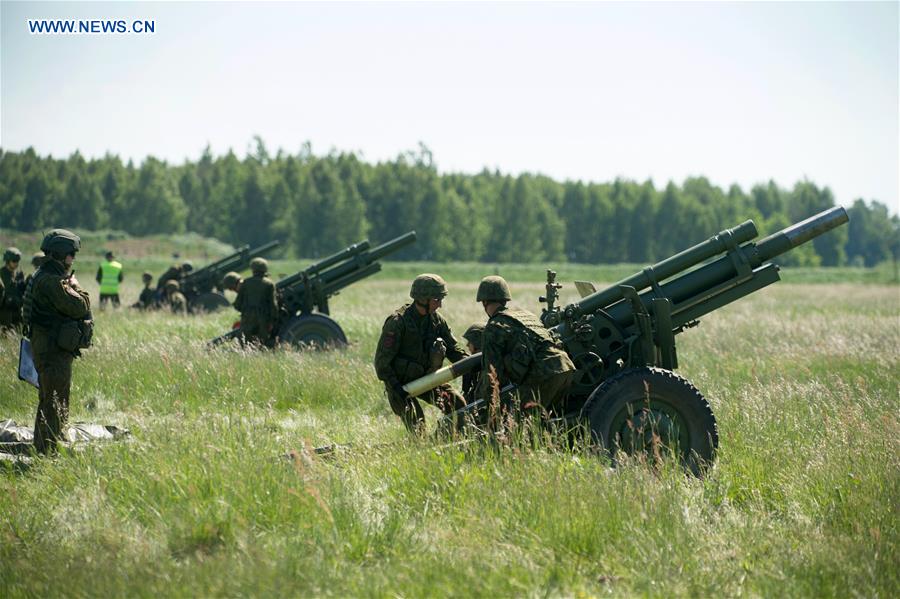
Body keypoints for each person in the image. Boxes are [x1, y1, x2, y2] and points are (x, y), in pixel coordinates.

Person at [22, 229, 92, 455]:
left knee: (52, 400)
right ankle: (46, 452)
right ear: (62, 255)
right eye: (71, 254)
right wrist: (76, 286)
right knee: (53, 402)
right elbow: (81, 305)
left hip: (48, 348)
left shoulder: (42, 275)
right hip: (52, 351)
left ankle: (47, 446)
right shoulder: (52, 281)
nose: (73, 259)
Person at [374, 273, 468, 434]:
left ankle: (452, 442)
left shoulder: (437, 321)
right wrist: (397, 389)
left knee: (458, 406)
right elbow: (382, 364)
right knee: (418, 426)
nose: (440, 305)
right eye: (437, 300)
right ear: (423, 299)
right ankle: (423, 449)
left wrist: (471, 362)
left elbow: (454, 350)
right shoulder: (397, 323)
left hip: (427, 380)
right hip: (399, 387)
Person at [476, 275, 577, 421]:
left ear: (484, 302)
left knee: (517, 422)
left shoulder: (494, 326)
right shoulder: (526, 315)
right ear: (505, 299)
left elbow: (492, 374)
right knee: (548, 419)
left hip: (544, 373)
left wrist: (487, 406)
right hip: (565, 366)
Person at [233, 258, 277, 347]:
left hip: (247, 317)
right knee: (262, 344)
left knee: (245, 344)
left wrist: (245, 311)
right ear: (265, 269)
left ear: (252, 269)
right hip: (263, 318)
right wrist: (273, 320)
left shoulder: (246, 282)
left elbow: (238, 304)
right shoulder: (269, 284)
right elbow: (273, 305)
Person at [0, 247, 26, 333]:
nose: (16, 263)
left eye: (18, 261)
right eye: (14, 261)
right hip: (5, 312)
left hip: (17, 310)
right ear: (7, 260)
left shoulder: (19, 274)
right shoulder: (2, 274)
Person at [461, 323, 485, 405]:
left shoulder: (487, 368)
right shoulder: (478, 364)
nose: (467, 345)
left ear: (477, 343)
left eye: (470, 342)